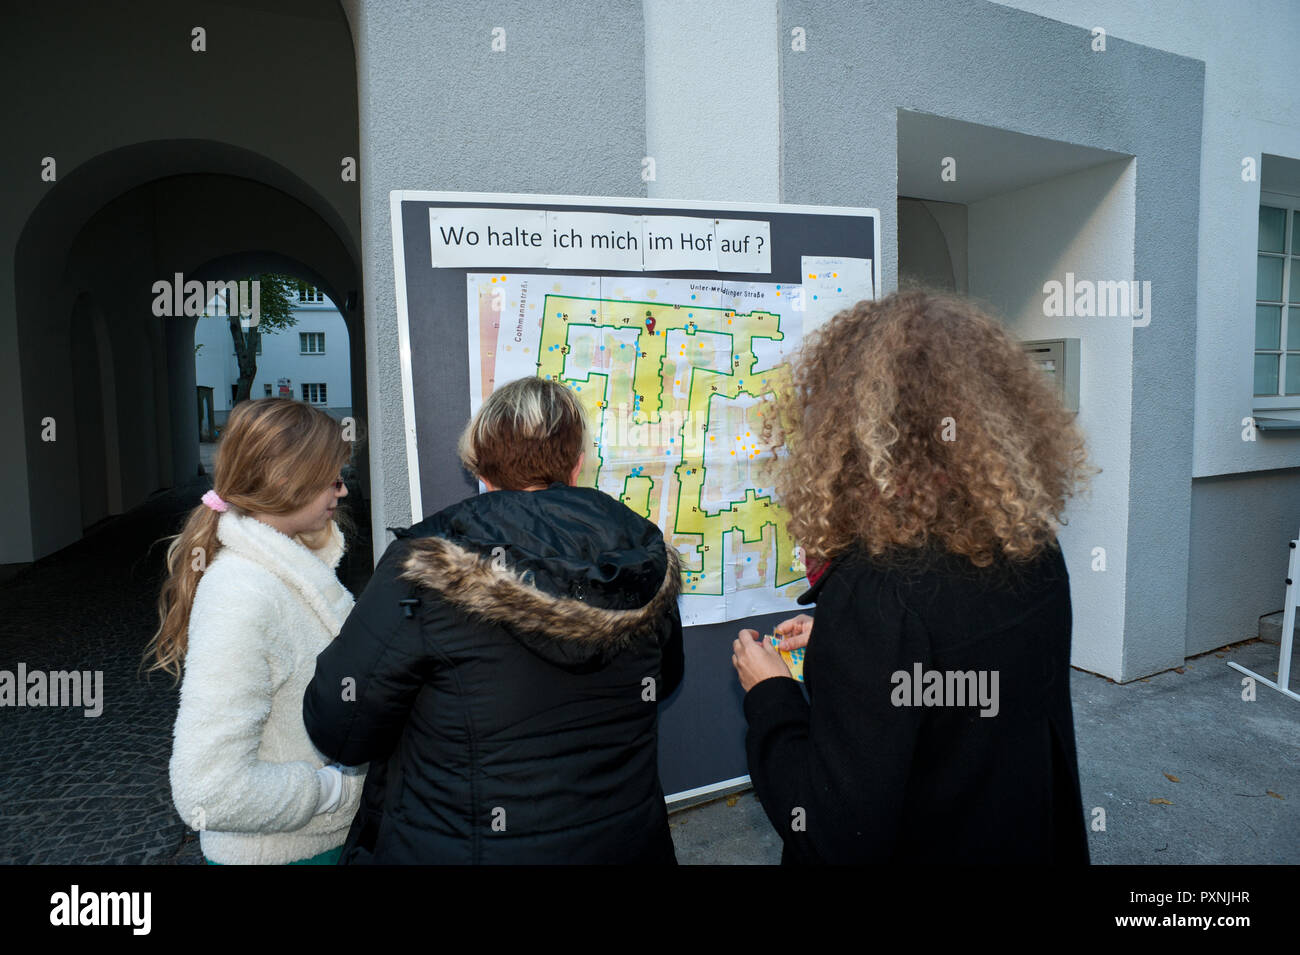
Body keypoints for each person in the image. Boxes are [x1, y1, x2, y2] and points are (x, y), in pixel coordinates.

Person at [733, 289, 1094, 864]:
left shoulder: (880, 592)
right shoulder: (1031, 543)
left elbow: (832, 834)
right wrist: (842, 651)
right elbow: (968, 682)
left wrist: (771, 695)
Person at [303, 375, 684, 864]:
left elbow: (341, 726)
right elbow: (664, 677)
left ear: (480, 468)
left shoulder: (420, 568)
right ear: (576, 464)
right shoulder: (641, 558)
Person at [147, 397, 364, 865]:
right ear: (289, 480)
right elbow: (209, 788)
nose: (342, 491)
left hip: (311, 846)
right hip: (283, 855)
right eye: (333, 477)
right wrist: (336, 791)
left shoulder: (291, 571)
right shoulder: (242, 593)